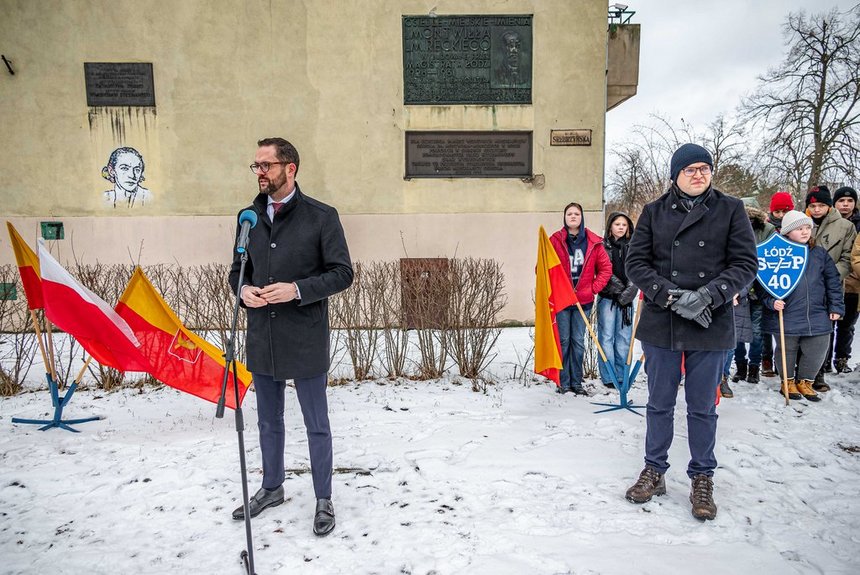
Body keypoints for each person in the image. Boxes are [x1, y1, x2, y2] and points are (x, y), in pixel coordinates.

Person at [623, 143, 757, 521]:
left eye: (704, 168)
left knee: (702, 407)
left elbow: (746, 263)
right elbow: (636, 262)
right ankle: (655, 470)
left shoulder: (731, 209)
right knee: (659, 403)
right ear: (675, 175)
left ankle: (702, 476)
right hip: (663, 321)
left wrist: (709, 295)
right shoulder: (653, 212)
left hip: (710, 322)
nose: (699, 174)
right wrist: (669, 295)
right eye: (690, 169)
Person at [228, 137, 354, 536]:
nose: (260, 172)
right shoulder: (247, 216)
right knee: (268, 421)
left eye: (266, 165)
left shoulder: (322, 216)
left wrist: (297, 289)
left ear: (290, 168)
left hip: (305, 336)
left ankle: (322, 498)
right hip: (262, 336)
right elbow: (238, 270)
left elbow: (341, 273)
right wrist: (243, 291)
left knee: (316, 422)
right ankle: (272, 487)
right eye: (257, 166)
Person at [760, 210, 844, 402]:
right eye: (799, 229)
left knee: (817, 349)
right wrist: (771, 302)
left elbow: (833, 281)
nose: (806, 232)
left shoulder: (819, 254)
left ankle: (806, 382)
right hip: (787, 314)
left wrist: (836, 307)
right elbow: (763, 285)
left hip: (817, 313)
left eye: (808, 227)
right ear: (787, 232)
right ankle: (787, 382)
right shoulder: (775, 254)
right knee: (786, 350)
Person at [549, 202, 612, 395]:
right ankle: (564, 383)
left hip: (582, 302)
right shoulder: (555, 240)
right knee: (563, 341)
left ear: (582, 217)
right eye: (569, 214)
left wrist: (592, 289)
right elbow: (542, 268)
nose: (573, 216)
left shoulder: (593, 242)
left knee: (577, 342)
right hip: (562, 300)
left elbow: (606, 269)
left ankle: (576, 382)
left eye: (577, 213)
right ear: (565, 217)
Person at [804, 185, 856, 392]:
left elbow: (847, 257)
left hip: (830, 286)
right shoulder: (802, 222)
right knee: (803, 329)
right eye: (813, 205)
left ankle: (818, 374)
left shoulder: (844, 226)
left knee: (824, 331)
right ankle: (801, 372)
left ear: (828, 206)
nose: (817, 210)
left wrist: (829, 277)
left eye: (821, 205)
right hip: (804, 285)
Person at [730, 206, 776, 389]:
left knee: (757, 332)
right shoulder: (731, 228)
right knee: (736, 331)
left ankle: (754, 366)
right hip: (737, 289)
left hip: (758, 289)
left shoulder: (766, 231)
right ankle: (740, 365)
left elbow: (768, 256)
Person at [596, 212, 638, 388]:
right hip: (608, 297)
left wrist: (627, 292)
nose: (621, 227)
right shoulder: (602, 246)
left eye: (624, 225)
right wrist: (619, 289)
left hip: (626, 300)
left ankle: (622, 375)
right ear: (610, 227)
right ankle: (609, 376)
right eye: (617, 224)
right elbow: (602, 270)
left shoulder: (635, 246)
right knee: (606, 337)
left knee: (624, 338)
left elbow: (637, 270)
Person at [761, 192, 795, 377]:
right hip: (769, 279)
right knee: (768, 324)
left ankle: (783, 361)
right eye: (778, 212)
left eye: (785, 211)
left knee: (787, 324)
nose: (781, 215)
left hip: (789, 278)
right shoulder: (767, 228)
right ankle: (766, 358)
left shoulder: (796, 227)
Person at [832, 186, 860, 373]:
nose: (845, 204)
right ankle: (823, 360)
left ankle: (842, 358)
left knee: (847, 325)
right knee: (827, 325)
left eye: (849, 201)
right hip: (833, 280)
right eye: (842, 201)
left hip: (853, 284)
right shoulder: (828, 223)